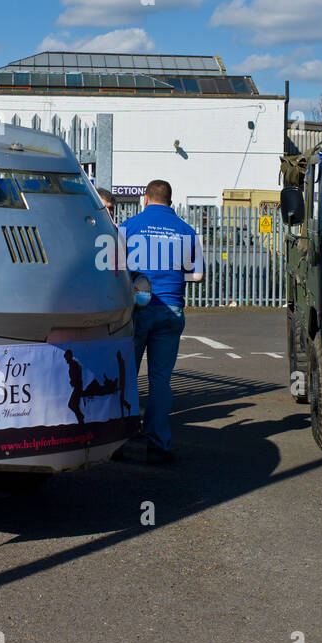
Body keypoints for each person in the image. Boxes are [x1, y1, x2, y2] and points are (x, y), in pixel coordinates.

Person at [118, 179, 203, 462]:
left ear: (145, 198)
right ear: (170, 201)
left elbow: (115, 269)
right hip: (172, 309)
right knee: (160, 380)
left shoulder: (128, 227)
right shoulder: (187, 231)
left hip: (138, 308)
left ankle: (120, 439)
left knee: (126, 374)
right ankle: (158, 441)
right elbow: (198, 276)